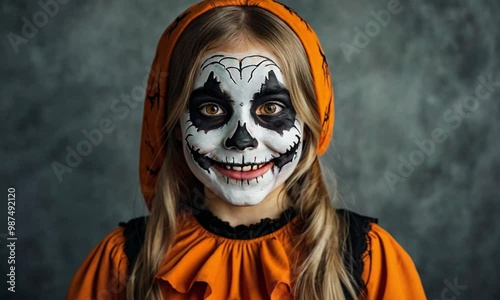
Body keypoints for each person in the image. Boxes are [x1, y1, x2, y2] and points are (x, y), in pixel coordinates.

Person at [67, 0, 427, 299]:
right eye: (211, 109)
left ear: (311, 121)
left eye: (271, 109)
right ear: (174, 125)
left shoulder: (369, 262)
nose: (242, 139)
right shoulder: (122, 265)